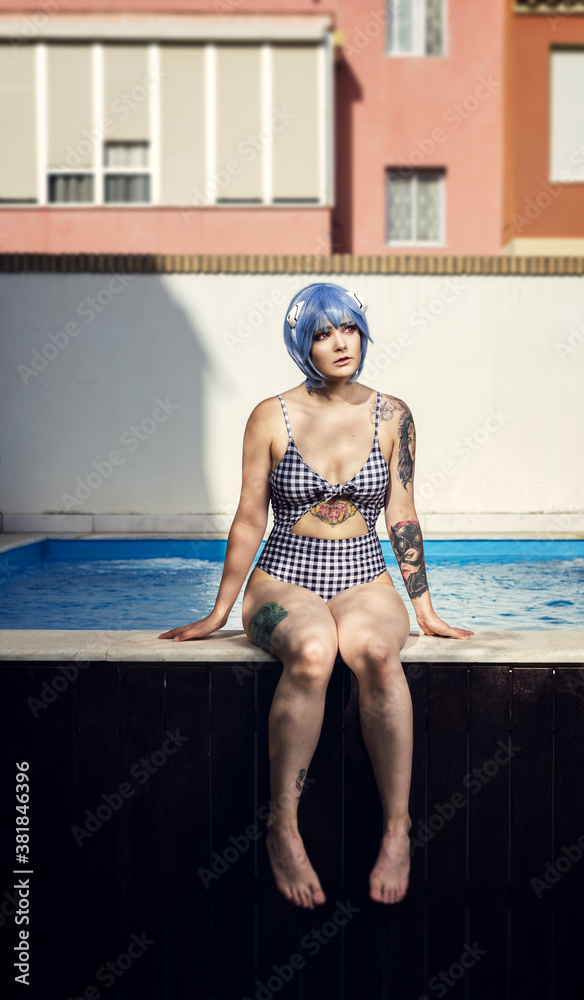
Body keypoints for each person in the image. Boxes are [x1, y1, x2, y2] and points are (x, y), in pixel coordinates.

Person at [159, 282, 474, 908]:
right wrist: (219, 611)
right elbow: (250, 517)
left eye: (349, 329)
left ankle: (396, 830)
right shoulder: (270, 416)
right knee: (310, 650)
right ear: (303, 345)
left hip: (363, 574)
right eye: (323, 333)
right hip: (285, 573)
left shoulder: (394, 415)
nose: (340, 343)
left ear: (362, 334)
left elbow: (402, 516)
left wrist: (425, 609)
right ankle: (283, 825)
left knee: (379, 656)